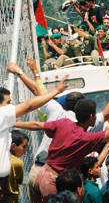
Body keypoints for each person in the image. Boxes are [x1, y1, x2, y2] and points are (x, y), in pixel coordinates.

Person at [15, 71, 109, 201]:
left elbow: (36, 124)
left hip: (41, 175)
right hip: (54, 182)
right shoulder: (86, 138)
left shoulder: (63, 123)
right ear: (91, 117)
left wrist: (14, 123)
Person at [0, 63, 68, 199]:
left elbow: (36, 123)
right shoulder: (2, 115)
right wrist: (56, 91)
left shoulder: (5, 122)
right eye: (8, 103)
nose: (12, 106)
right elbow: (29, 104)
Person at [3, 130, 29, 203]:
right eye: (24, 146)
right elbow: (19, 181)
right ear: (13, 146)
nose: (25, 150)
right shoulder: (18, 163)